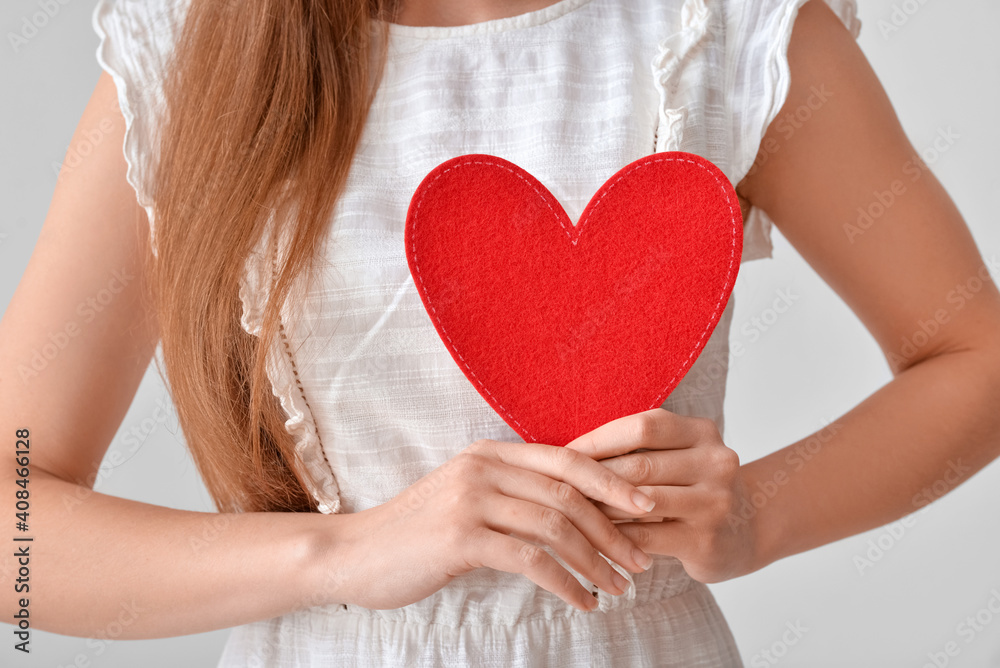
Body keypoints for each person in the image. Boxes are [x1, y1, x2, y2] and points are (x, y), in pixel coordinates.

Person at [3, 0, 999, 665]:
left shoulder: (723, 27)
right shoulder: (190, 49)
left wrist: (756, 515)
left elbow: (975, 355)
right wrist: (345, 551)